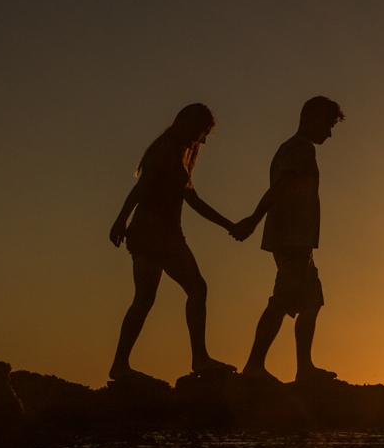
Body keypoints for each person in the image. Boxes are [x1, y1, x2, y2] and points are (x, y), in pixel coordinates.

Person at [107, 110, 235, 391]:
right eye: (203, 133)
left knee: (143, 300)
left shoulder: (173, 152)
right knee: (197, 288)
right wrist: (120, 220)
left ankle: (119, 364)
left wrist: (229, 225)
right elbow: (142, 188)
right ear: (191, 125)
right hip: (160, 236)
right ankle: (199, 358)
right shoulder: (167, 151)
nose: (203, 140)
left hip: (147, 234)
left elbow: (191, 198)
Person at [236, 103, 345, 392]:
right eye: (328, 125)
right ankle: (256, 366)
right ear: (313, 118)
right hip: (292, 238)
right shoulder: (301, 148)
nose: (329, 133)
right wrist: (254, 219)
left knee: (311, 300)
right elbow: (281, 185)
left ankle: (302, 367)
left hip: (295, 238)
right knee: (283, 299)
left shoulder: (289, 147)